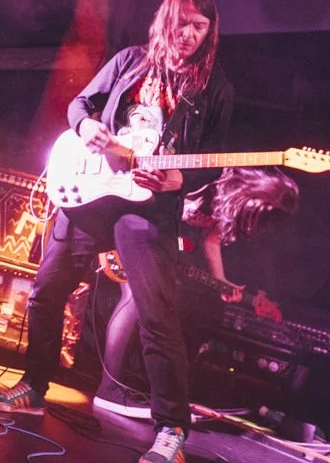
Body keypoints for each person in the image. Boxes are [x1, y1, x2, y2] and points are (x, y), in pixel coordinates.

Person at [0, 0, 233, 463]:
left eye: (200, 27)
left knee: (157, 315)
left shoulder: (215, 88)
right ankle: (34, 386)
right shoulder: (129, 62)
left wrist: (179, 179)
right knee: (46, 291)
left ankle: (171, 430)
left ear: (211, 31)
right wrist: (86, 128)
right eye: (182, 23)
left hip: (148, 208)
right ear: (165, 19)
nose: (189, 34)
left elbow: (215, 159)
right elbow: (80, 105)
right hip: (93, 191)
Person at [92, 166, 297, 421]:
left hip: (159, 243)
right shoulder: (210, 178)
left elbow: (211, 240)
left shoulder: (229, 207)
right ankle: (108, 389)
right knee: (133, 299)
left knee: (160, 308)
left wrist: (221, 282)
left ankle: (129, 386)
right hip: (134, 222)